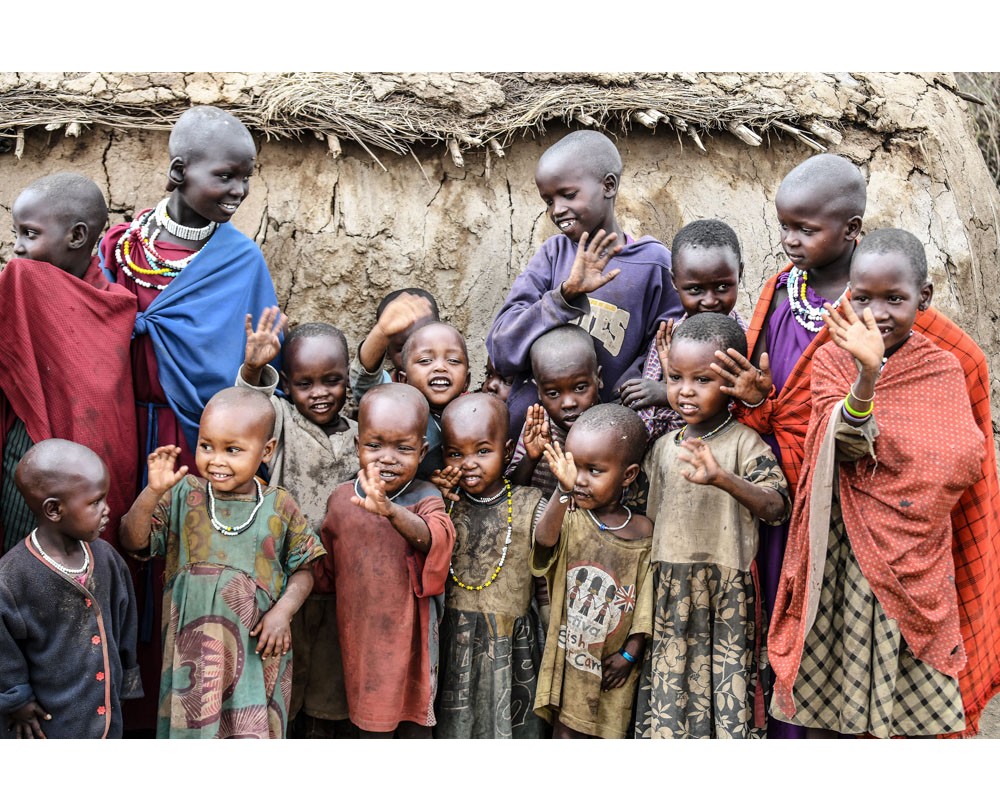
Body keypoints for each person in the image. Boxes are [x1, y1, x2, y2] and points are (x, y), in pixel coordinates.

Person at [715, 155, 1000, 735]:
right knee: (802, 627)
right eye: (785, 227)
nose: (791, 241)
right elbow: (790, 408)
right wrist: (757, 400)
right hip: (799, 511)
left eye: (807, 228)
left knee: (887, 661)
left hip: (898, 531)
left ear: (852, 230)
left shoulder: (938, 346)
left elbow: (956, 451)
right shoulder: (779, 296)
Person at [98, 105, 279, 730]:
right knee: (119, 552)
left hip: (196, 441)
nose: (239, 191)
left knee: (181, 570)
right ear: (179, 170)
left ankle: (177, 721)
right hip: (119, 432)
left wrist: (254, 370)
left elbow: (245, 390)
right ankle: (111, 712)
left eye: (246, 179)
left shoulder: (241, 261)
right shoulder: (116, 249)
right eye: (226, 176)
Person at [768, 229, 985, 738]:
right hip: (844, 550)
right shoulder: (830, 360)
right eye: (863, 297)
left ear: (923, 298)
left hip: (914, 555)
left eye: (895, 299)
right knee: (840, 674)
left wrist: (904, 474)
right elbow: (837, 447)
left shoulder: (941, 368)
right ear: (848, 293)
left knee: (902, 687)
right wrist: (865, 378)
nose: (877, 312)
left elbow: (959, 459)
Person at [118, 387, 324, 738]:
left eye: (233, 450)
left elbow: (304, 570)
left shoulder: (279, 505)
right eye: (206, 445)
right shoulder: (185, 495)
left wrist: (282, 613)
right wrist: (152, 491)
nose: (216, 459)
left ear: (267, 451)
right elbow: (132, 539)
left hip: (257, 651)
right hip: (193, 661)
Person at [635, 314, 789, 739]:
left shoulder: (743, 443)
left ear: (728, 381)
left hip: (727, 597)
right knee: (669, 703)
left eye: (701, 379)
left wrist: (722, 477)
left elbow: (777, 506)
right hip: (669, 592)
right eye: (675, 377)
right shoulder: (664, 447)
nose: (684, 391)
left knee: (726, 702)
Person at [486, 130, 683, 439]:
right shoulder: (552, 256)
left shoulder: (653, 264)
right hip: (537, 433)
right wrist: (564, 296)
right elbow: (502, 350)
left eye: (568, 194)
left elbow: (665, 349)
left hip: (612, 437)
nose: (557, 210)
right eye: (548, 201)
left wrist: (623, 395)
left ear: (608, 185)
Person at [236, 307, 359, 737]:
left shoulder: (362, 433)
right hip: (287, 582)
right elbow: (246, 410)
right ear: (286, 385)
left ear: (348, 378)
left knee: (329, 690)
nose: (320, 393)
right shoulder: (284, 422)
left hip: (343, 585)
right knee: (282, 683)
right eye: (304, 384)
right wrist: (254, 368)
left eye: (332, 380)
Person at [0, 174, 137, 555]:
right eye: (17, 234)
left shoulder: (113, 303)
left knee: (82, 574)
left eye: (29, 234)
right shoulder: (21, 285)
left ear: (77, 236)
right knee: (22, 567)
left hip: (92, 469)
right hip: (30, 458)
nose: (17, 249)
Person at [320, 383, 456, 737]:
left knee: (410, 724)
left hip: (409, 639)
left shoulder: (426, 496)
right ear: (357, 446)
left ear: (423, 450)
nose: (387, 457)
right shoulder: (341, 500)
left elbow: (437, 538)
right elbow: (325, 572)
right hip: (358, 635)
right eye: (374, 445)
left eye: (404, 448)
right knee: (365, 722)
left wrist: (391, 511)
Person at [0, 439, 141, 739]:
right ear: (54, 510)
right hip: (46, 724)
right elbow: (3, 646)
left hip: (105, 718)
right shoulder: (12, 577)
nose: (107, 510)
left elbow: (125, 621)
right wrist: (17, 699)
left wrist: (126, 678)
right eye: (95, 502)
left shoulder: (106, 559)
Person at [531, 404, 653, 738]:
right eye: (574, 467)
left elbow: (647, 605)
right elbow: (544, 541)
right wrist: (562, 490)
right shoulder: (570, 516)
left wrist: (630, 653)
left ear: (627, 475)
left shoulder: (643, 533)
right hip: (569, 657)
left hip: (615, 664)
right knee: (564, 732)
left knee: (609, 727)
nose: (580, 479)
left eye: (594, 471)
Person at [431, 394, 544, 738]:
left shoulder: (529, 503)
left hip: (510, 647)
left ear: (508, 452)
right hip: (453, 643)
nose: (468, 463)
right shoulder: (440, 504)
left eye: (482, 451)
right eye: (455, 453)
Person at [619, 219, 748, 442]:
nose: (710, 300)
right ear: (674, 282)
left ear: (740, 275)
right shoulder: (669, 333)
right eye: (695, 289)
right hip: (662, 452)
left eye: (722, 287)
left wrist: (666, 393)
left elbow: (741, 405)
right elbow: (648, 414)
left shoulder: (746, 339)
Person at [507, 324, 602, 495]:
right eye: (553, 393)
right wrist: (531, 457)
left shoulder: (610, 427)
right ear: (539, 392)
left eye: (580, 387)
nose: (568, 403)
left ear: (598, 379)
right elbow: (511, 489)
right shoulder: (539, 428)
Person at [397, 320, 471, 478]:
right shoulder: (398, 420)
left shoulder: (476, 416)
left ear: (467, 381)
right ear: (404, 381)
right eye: (425, 360)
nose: (440, 367)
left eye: (453, 360)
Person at [350, 288, 439, 409]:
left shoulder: (454, 383)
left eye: (427, 347)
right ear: (387, 353)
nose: (418, 357)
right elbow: (364, 382)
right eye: (402, 349)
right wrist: (381, 333)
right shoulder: (388, 391)